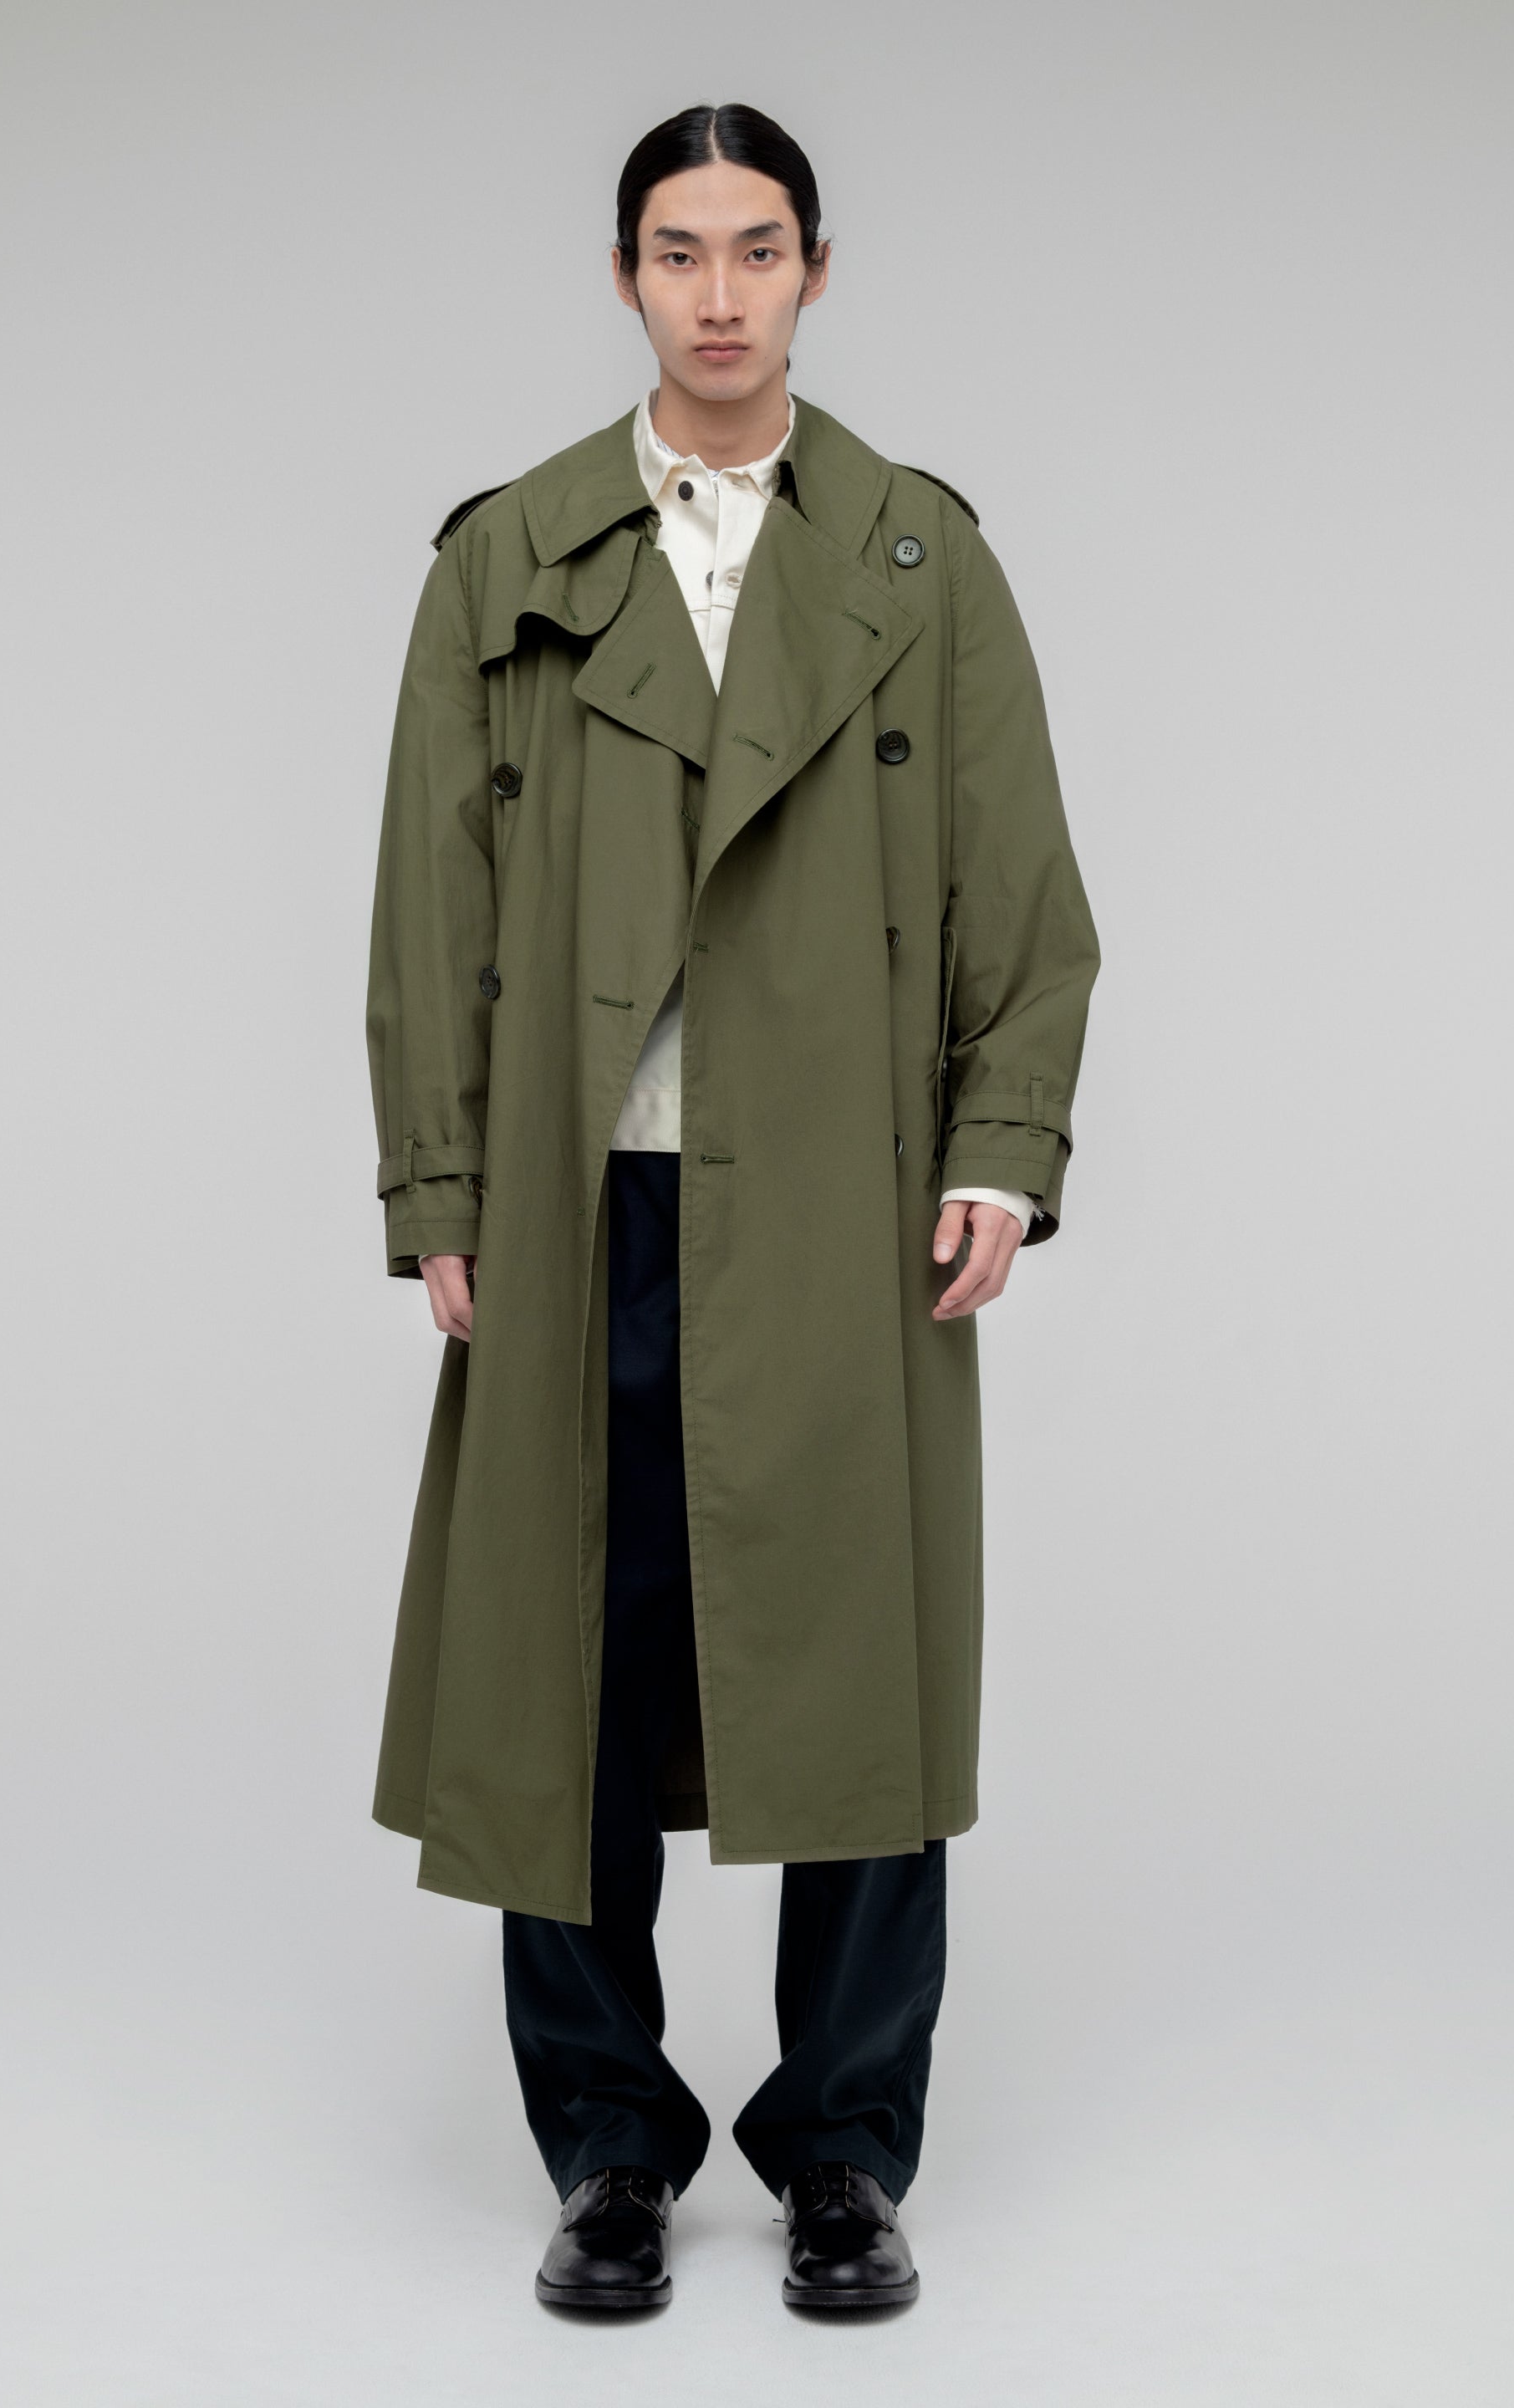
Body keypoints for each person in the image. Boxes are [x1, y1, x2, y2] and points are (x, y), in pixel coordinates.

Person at [364, 100, 1099, 2314]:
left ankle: (847, 2157)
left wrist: (1002, 1142)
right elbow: (429, 901)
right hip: (580, 1194)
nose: (716, 293)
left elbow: (1023, 882)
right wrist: (441, 1183)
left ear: (814, 271)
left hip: (850, 1198)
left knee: (860, 1662)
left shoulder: (919, 556)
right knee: (560, 1676)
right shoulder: (509, 555)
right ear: (625, 277)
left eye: (755, 249)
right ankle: (608, 2148)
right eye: (677, 252)